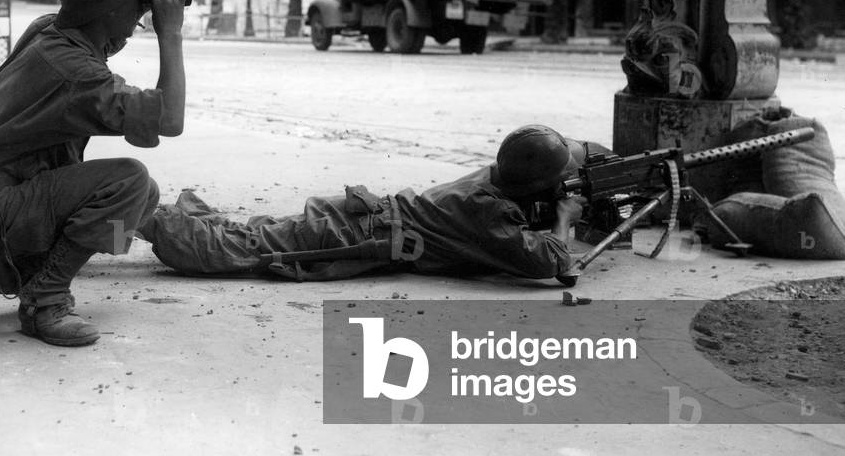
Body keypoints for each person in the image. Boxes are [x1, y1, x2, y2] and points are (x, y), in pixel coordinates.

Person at [0, 0, 188, 347]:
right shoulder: (74, 71)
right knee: (130, 181)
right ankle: (42, 298)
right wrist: (169, 33)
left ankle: (46, 262)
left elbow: (100, 44)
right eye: (136, 5)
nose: (142, 12)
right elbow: (170, 121)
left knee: (142, 199)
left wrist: (131, 10)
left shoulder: (49, 29)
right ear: (108, 11)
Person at [138, 125, 611, 284]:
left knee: (251, 233)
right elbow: (550, 264)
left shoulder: (491, 179)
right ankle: (130, 216)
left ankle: (141, 216)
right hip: (354, 234)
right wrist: (566, 219)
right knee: (239, 250)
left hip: (359, 219)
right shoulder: (487, 209)